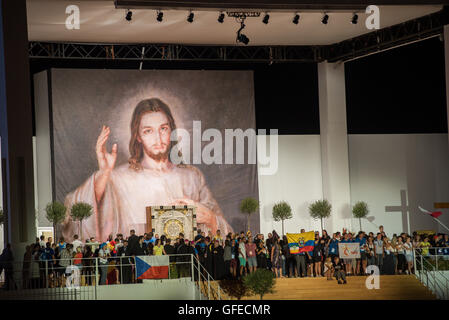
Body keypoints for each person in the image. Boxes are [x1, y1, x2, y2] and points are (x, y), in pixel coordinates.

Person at [61, 98, 232, 240]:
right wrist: (103, 175)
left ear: (171, 130)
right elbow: (74, 213)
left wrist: (210, 219)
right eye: (148, 131)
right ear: (138, 136)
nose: (158, 138)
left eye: (163, 129)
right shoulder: (119, 178)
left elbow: (223, 228)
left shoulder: (191, 176)